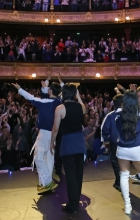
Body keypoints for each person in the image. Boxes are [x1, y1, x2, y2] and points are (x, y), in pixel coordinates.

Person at [12, 80, 62, 194]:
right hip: (54, 134)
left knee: (39, 157)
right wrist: (44, 89)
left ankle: (48, 182)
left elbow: (31, 98)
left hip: (44, 133)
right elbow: (47, 101)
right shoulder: (59, 102)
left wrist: (19, 89)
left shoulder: (46, 102)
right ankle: (45, 185)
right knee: (48, 159)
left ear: (51, 90)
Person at [50, 83, 86, 214]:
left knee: (70, 176)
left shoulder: (60, 108)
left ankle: (73, 205)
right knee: (78, 175)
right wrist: (78, 95)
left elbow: (55, 129)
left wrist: (52, 143)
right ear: (74, 93)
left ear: (63, 93)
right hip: (79, 142)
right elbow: (83, 107)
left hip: (68, 143)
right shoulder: (81, 107)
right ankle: (74, 203)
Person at [101, 92, 124, 191]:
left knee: (115, 162)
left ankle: (119, 182)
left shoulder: (110, 116)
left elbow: (104, 129)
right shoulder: (130, 114)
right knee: (124, 163)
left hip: (115, 143)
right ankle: (121, 182)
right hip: (128, 143)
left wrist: (106, 140)